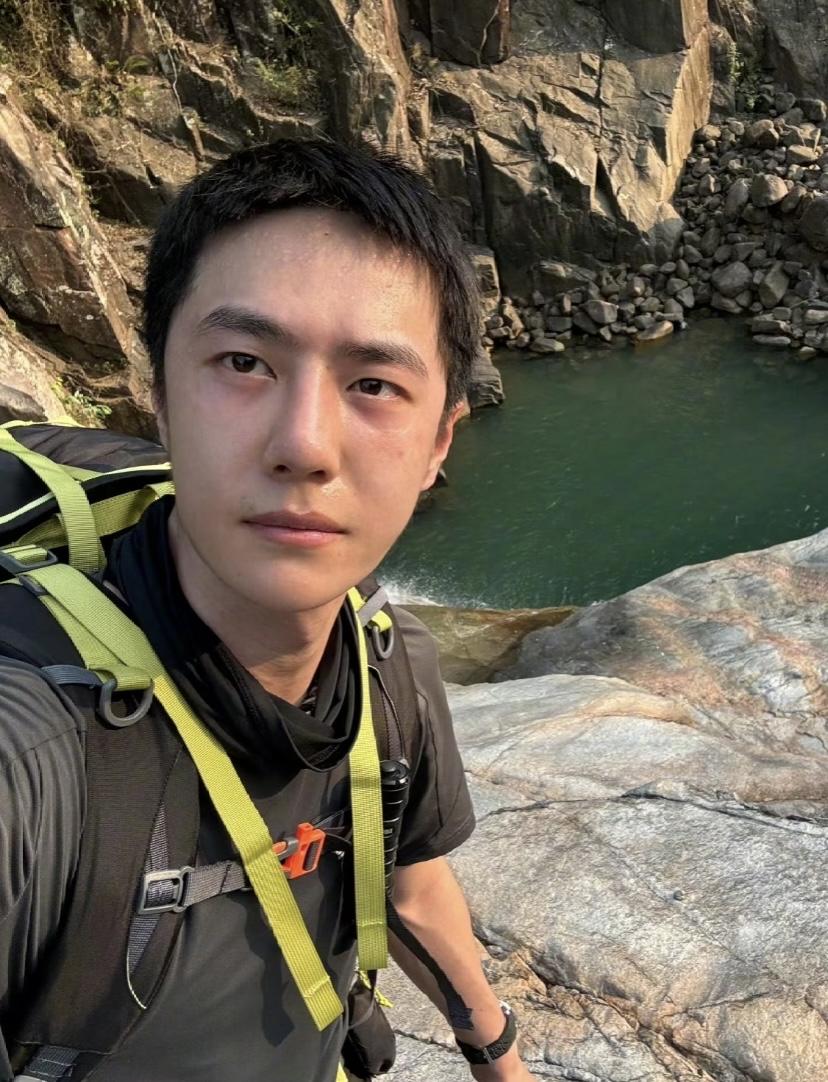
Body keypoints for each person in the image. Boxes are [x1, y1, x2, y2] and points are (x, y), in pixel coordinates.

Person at [0, 138, 535, 1081]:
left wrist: (500, 1060)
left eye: (374, 385)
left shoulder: (385, 660)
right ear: (159, 398)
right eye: (245, 362)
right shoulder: (34, 755)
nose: (305, 445)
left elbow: (411, 885)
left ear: (439, 443)